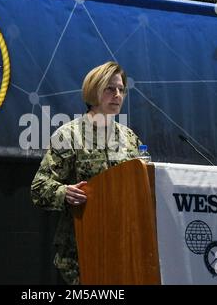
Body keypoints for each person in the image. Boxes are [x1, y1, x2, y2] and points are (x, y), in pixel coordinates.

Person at [31, 61, 143, 285]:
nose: (117, 95)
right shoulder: (69, 135)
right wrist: (65, 192)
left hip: (124, 249)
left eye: (121, 90)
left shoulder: (129, 138)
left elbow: (142, 185)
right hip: (81, 252)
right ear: (94, 90)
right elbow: (39, 188)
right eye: (110, 88)